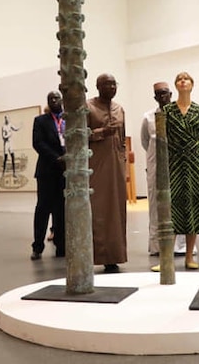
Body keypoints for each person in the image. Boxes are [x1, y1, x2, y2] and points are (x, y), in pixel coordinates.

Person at [154, 72, 199, 271]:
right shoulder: (168, 110)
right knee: (172, 209)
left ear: (191, 85)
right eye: (180, 79)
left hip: (194, 161)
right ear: (176, 85)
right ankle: (166, 258)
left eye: (187, 79)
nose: (183, 81)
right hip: (174, 162)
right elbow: (162, 141)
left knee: (193, 207)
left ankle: (189, 256)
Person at [139, 82, 188, 256]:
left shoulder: (181, 114)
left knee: (179, 205)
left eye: (165, 93)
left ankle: (179, 246)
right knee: (155, 206)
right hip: (156, 168)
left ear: (171, 94)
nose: (162, 97)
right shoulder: (148, 117)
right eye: (158, 94)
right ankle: (157, 247)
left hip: (177, 167)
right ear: (155, 97)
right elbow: (145, 141)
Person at [87, 73, 128, 273]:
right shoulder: (88, 107)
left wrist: (124, 163)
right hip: (97, 165)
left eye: (114, 84)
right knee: (100, 210)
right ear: (98, 86)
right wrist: (101, 132)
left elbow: (122, 140)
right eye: (107, 84)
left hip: (117, 167)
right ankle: (99, 255)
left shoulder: (119, 109)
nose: (112, 87)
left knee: (118, 210)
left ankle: (115, 256)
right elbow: (79, 136)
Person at [30, 91, 66, 260]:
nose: (53, 101)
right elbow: (38, 143)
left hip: (65, 171)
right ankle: (37, 246)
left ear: (62, 100)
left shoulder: (68, 119)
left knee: (61, 210)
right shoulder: (40, 121)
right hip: (47, 171)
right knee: (43, 209)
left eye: (56, 98)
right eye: (50, 99)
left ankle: (61, 246)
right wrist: (56, 158)